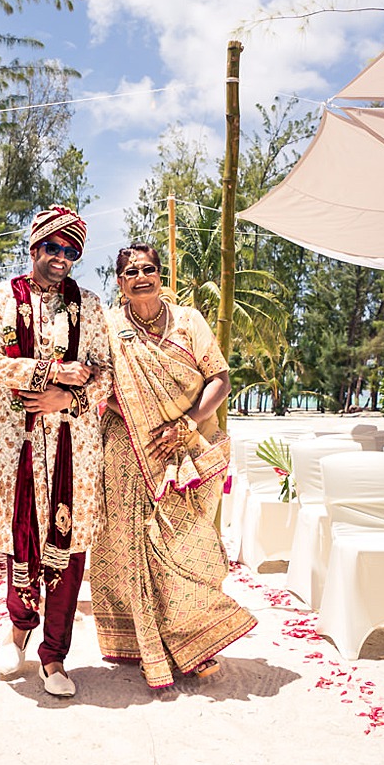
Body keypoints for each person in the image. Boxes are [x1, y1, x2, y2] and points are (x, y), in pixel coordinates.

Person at [90, 243, 256, 689]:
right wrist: (134, 414)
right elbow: (100, 385)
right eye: (131, 272)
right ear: (120, 282)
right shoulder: (108, 326)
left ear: (161, 276)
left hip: (184, 446)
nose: (140, 277)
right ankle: (151, 645)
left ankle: (194, 638)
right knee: (134, 546)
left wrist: (185, 422)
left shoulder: (189, 321)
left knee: (184, 543)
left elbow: (219, 377)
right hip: (127, 448)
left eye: (149, 269)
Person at [0, 204, 111, 698]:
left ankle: (55, 657)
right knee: (22, 543)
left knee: (70, 553)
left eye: (71, 251)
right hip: (20, 445)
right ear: (34, 246)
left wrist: (66, 396)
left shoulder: (90, 306)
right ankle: (18, 634)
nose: (61, 258)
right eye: (52, 247)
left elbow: (105, 372)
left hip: (76, 445)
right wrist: (50, 374)